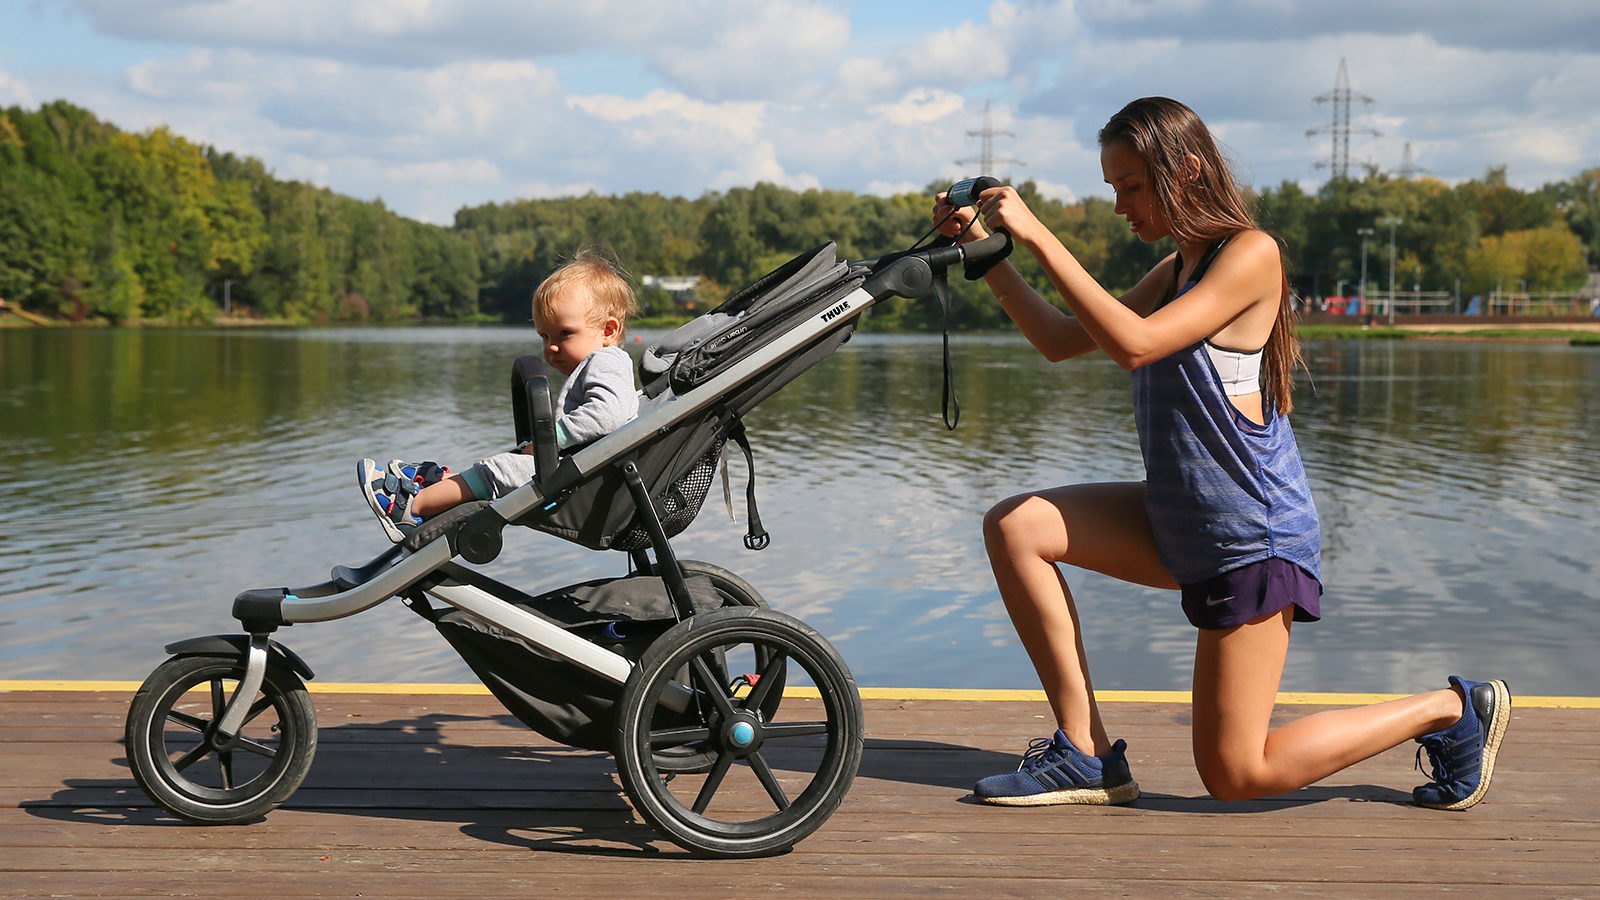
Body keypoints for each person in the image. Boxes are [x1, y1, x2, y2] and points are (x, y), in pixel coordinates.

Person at [933, 97, 1508, 810]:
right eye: (1113, 189)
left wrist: (1042, 235)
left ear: (1189, 169)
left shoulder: (1250, 255)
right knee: (1017, 526)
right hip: (1180, 520)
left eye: (1133, 186)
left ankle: (1451, 712)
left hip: (1250, 538)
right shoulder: (1178, 269)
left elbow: (1135, 344)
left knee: (1237, 775)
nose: (1121, 206)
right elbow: (1060, 341)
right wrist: (990, 257)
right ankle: (1084, 752)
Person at [360, 248, 641, 542]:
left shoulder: (607, 361)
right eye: (544, 336)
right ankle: (437, 486)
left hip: (584, 483)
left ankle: (409, 508)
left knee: (498, 470)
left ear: (608, 330)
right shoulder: (600, 362)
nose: (551, 348)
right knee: (502, 465)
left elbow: (609, 414)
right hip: (578, 473)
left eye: (564, 334)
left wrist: (553, 438)